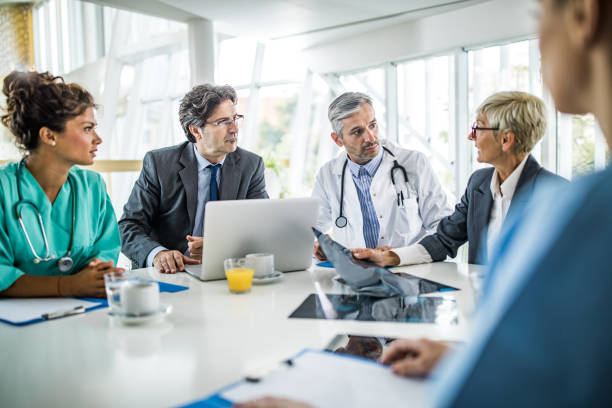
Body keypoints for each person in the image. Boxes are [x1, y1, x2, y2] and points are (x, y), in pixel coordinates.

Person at [239, 0, 612, 405]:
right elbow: (543, 366)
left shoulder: (574, 210)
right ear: (338, 139)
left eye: (540, 16)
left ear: (583, 15)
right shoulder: (487, 184)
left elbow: (533, 381)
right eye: (357, 131)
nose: (471, 137)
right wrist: (456, 358)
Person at [353, 91, 566, 267]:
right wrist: (390, 257)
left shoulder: (556, 194)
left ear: (505, 139)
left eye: (478, 128)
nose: (471, 136)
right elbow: (444, 240)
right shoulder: (479, 184)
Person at [119, 84, 268, 273]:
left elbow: (261, 228)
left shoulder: (250, 165)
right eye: (223, 122)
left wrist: (220, 247)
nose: (234, 129)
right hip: (172, 274)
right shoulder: (159, 164)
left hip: (226, 271)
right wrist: (158, 254)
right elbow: (128, 226)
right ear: (196, 131)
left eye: (235, 119)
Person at [0, 71, 122, 298]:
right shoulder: (3, 188)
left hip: (81, 312)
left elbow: (106, 248)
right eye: (87, 128)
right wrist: (66, 286)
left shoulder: (92, 186)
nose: (98, 139)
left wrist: (95, 272)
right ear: (49, 135)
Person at [311, 92, 452, 259]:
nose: (370, 137)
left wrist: (403, 256)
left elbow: (443, 225)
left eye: (372, 125)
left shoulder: (413, 163)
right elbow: (314, 227)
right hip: (356, 273)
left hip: (410, 269)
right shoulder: (328, 175)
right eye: (357, 132)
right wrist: (317, 246)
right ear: (338, 140)